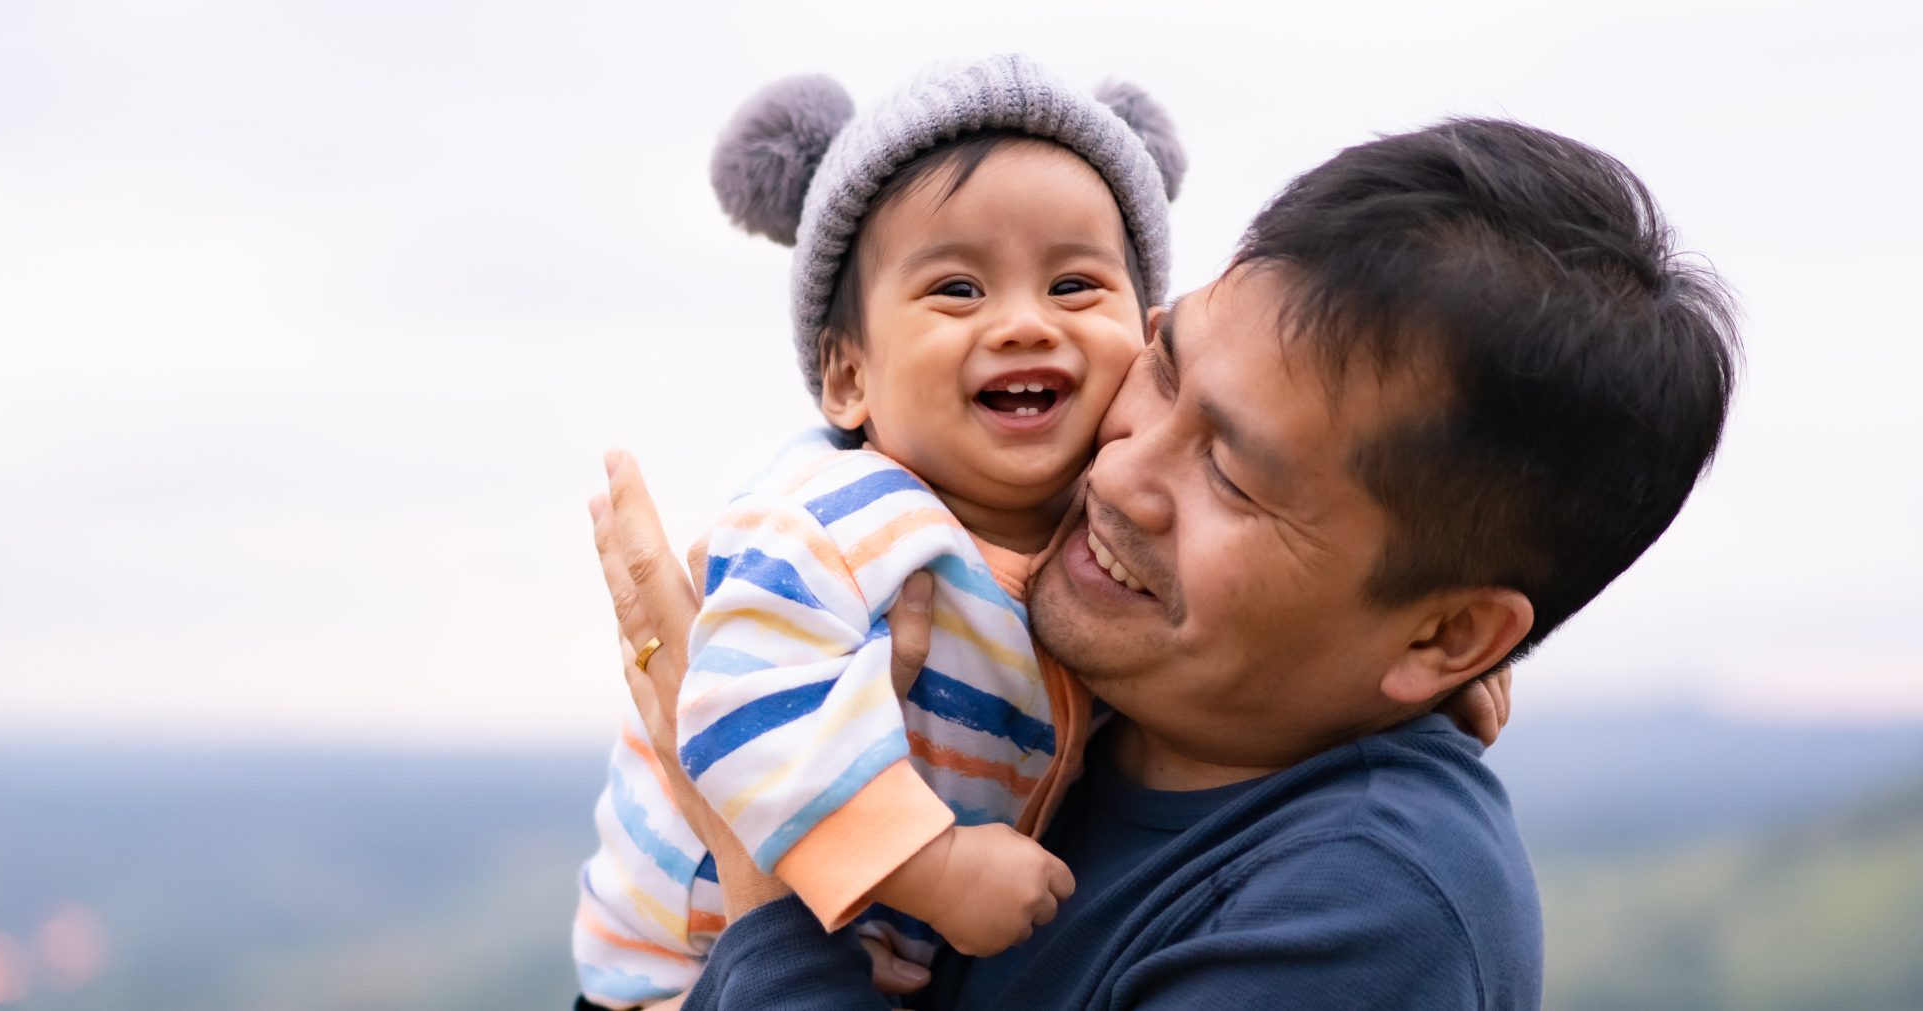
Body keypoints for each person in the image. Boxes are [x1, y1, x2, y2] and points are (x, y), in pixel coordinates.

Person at [587, 116, 1737, 1009]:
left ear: (1442, 635)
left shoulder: (1368, 914)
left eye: (1233, 480)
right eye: (1166, 369)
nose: (1123, 476)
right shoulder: (1109, 683)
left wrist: (764, 884)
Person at [571, 55, 1187, 1008]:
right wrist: (930, 866)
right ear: (848, 376)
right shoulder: (835, 516)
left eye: (1073, 286)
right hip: (682, 964)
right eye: (957, 290)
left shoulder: (1108, 540)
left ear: (1147, 339)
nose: (1024, 322)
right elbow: (739, 705)